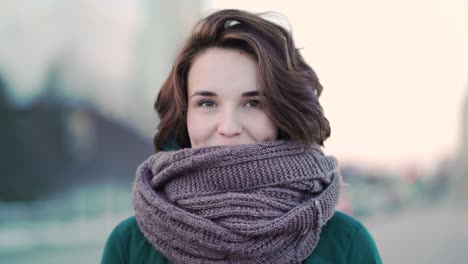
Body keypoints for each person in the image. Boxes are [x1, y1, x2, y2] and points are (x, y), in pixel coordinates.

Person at [101, 9, 382, 264]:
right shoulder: (129, 246)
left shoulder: (345, 244)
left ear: (284, 114)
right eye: (207, 103)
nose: (229, 127)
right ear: (184, 115)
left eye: (253, 103)